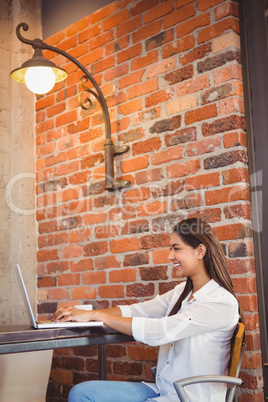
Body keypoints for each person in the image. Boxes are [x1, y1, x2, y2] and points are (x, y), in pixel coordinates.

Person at [52, 218, 240, 402]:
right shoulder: (181, 292)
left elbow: (160, 331)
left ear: (200, 251)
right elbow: (137, 310)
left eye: (176, 248)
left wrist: (96, 315)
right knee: (82, 393)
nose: (170, 256)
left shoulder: (221, 303)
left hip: (186, 397)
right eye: (170, 249)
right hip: (161, 390)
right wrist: (82, 315)